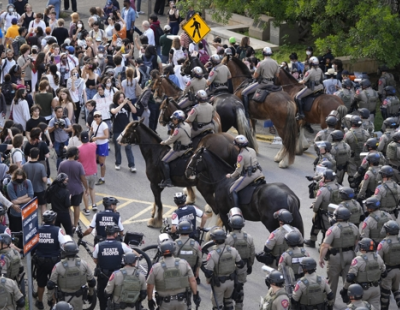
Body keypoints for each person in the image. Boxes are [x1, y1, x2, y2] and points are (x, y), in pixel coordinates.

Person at [147, 238, 200, 310]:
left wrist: (150, 300)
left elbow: (150, 286)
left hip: (165, 303)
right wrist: (195, 295)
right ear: (173, 251)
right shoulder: (184, 263)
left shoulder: (156, 268)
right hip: (182, 302)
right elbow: (192, 281)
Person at [319, 206, 360, 299]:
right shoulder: (354, 227)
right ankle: (352, 302)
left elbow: (325, 246)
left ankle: (330, 304)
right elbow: (357, 242)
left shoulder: (333, 229)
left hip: (336, 257)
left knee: (332, 283)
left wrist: (321, 258)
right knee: (349, 281)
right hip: (351, 255)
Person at [92, 224, 133, 310]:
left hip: (103, 276)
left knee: (102, 297)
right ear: (115, 234)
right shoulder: (121, 245)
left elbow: (95, 260)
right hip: (118, 276)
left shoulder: (98, 246)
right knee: (118, 297)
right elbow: (131, 254)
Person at [46, 241, 96, 310]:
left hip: (63, 299)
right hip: (79, 298)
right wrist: (91, 294)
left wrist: (50, 299)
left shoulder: (58, 266)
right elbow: (92, 281)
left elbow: (50, 285)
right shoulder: (84, 264)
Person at [34, 210, 67, 310]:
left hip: (40, 261)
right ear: (53, 220)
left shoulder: (37, 229)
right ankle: (54, 303)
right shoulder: (58, 230)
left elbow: (33, 244)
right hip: (54, 262)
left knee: (41, 283)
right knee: (55, 283)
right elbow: (64, 244)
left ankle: (40, 302)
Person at [202, 228, 243, 310]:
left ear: (214, 240)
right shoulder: (233, 250)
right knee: (228, 301)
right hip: (231, 282)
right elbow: (240, 264)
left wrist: (208, 280)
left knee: (217, 305)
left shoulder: (212, 254)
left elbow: (209, 272)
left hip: (219, 284)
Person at [341, 238, 385, 309]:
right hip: (376, 289)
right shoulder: (378, 257)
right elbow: (384, 272)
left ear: (362, 248)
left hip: (361, 290)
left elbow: (350, 277)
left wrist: (345, 289)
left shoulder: (358, 259)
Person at [225, 209, 255, 310]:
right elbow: (252, 253)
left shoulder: (228, 238)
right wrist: (250, 265)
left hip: (229, 268)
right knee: (239, 288)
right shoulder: (249, 237)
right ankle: (239, 307)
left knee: (228, 290)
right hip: (243, 267)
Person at [304, 169, 340, 248]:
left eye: (323, 176)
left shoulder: (323, 190)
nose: (322, 177)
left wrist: (315, 210)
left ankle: (314, 242)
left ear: (326, 179)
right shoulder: (339, 187)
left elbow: (316, 205)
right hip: (335, 213)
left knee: (317, 226)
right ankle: (322, 244)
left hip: (322, 212)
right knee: (327, 229)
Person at [226, 135, 263, 209]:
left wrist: (230, 176)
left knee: (232, 190)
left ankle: (237, 210)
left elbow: (238, 171)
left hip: (250, 175)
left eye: (235, 145)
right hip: (259, 172)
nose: (235, 147)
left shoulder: (241, 156)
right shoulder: (252, 150)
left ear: (238, 146)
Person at [159, 110, 192, 188]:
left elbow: (170, 140)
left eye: (174, 119)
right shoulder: (187, 124)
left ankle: (168, 180)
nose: (173, 120)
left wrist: (163, 142)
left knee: (164, 161)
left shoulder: (178, 130)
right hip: (188, 148)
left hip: (180, 150)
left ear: (179, 120)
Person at [58, 146, 88, 229]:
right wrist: (86, 188)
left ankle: (70, 224)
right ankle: (75, 225)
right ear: (74, 155)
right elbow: (83, 178)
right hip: (77, 190)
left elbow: (59, 177)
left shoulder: (62, 164)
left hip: (65, 190)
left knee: (67, 208)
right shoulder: (79, 165)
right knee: (76, 206)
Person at [110, 92, 136, 173]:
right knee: (117, 148)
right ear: (117, 98)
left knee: (128, 148)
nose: (122, 99)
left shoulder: (127, 105)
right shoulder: (113, 105)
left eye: (123, 97)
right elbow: (114, 111)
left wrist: (130, 104)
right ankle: (118, 163)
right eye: (120, 97)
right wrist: (122, 104)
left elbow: (134, 111)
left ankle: (132, 165)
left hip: (126, 130)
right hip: (117, 130)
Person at [6, 168, 34, 247]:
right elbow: (13, 201)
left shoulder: (28, 182)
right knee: (17, 234)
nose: (20, 181)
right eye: (18, 179)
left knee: (27, 232)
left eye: (21, 179)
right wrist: (26, 196)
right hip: (16, 214)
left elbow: (31, 197)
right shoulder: (10, 185)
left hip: (27, 213)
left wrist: (18, 199)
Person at [344, 115, 370, 189]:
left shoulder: (348, 134)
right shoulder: (366, 133)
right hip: (364, 158)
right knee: (362, 174)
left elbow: (345, 147)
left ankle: (354, 189)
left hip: (352, 159)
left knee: (352, 176)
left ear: (351, 123)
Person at [174, 221, 202, 285]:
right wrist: (197, 271)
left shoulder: (175, 244)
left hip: (177, 272)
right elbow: (200, 260)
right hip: (191, 272)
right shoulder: (195, 244)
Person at [78, 132, 97, 214]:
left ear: (80, 138)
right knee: (92, 188)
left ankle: (87, 209)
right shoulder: (93, 146)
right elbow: (94, 141)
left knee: (85, 191)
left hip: (84, 174)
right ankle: (94, 204)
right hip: (93, 171)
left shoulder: (78, 149)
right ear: (88, 138)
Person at [23, 148, 47, 214]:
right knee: (43, 205)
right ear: (38, 156)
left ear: (30, 155)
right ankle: (43, 221)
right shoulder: (41, 166)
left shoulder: (25, 166)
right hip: (40, 190)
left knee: (31, 206)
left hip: (28, 191)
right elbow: (44, 179)